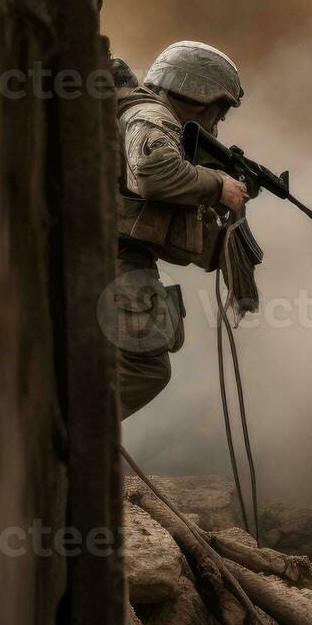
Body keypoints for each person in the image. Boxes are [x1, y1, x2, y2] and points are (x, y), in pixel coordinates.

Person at [109, 41, 250, 419]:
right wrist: (219, 186)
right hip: (109, 256)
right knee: (143, 366)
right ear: (201, 98)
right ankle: (61, 445)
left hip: (112, 254)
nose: (216, 125)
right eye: (218, 111)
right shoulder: (152, 118)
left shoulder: (144, 112)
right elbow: (155, 175)